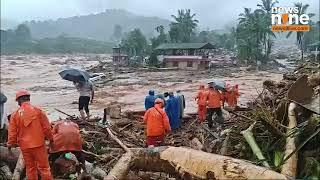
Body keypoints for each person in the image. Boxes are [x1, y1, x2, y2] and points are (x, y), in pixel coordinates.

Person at [7, 90, 53, 180]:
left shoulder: (15, 115)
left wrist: (10, 144)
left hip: (25, 146)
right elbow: (47, 128)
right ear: (28, 99)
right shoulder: (38, 111)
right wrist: (51, 139)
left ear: (19, 101)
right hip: (39, 144)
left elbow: (12, 132)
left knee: (30, 168)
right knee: (44, 168)